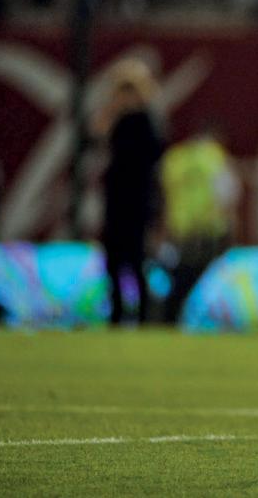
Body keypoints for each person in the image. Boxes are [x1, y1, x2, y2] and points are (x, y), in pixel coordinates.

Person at [94, 58, 165, 326]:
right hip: (116, 200)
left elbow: (152, 156)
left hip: (137, 201)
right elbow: (94, 139)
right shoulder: (117, 120)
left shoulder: (146, 121)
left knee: (135, 261)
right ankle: (116, 314)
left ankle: (144, 317)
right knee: (112, 262)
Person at [159, 122, 240, 324]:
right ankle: (170, 317)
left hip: (180, 229)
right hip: (208, 229)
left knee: (181, 274)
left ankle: (168, 315)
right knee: (191, 276)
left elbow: (165, 193)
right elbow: (228, 193)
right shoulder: (215, 158)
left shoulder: (176, 158)